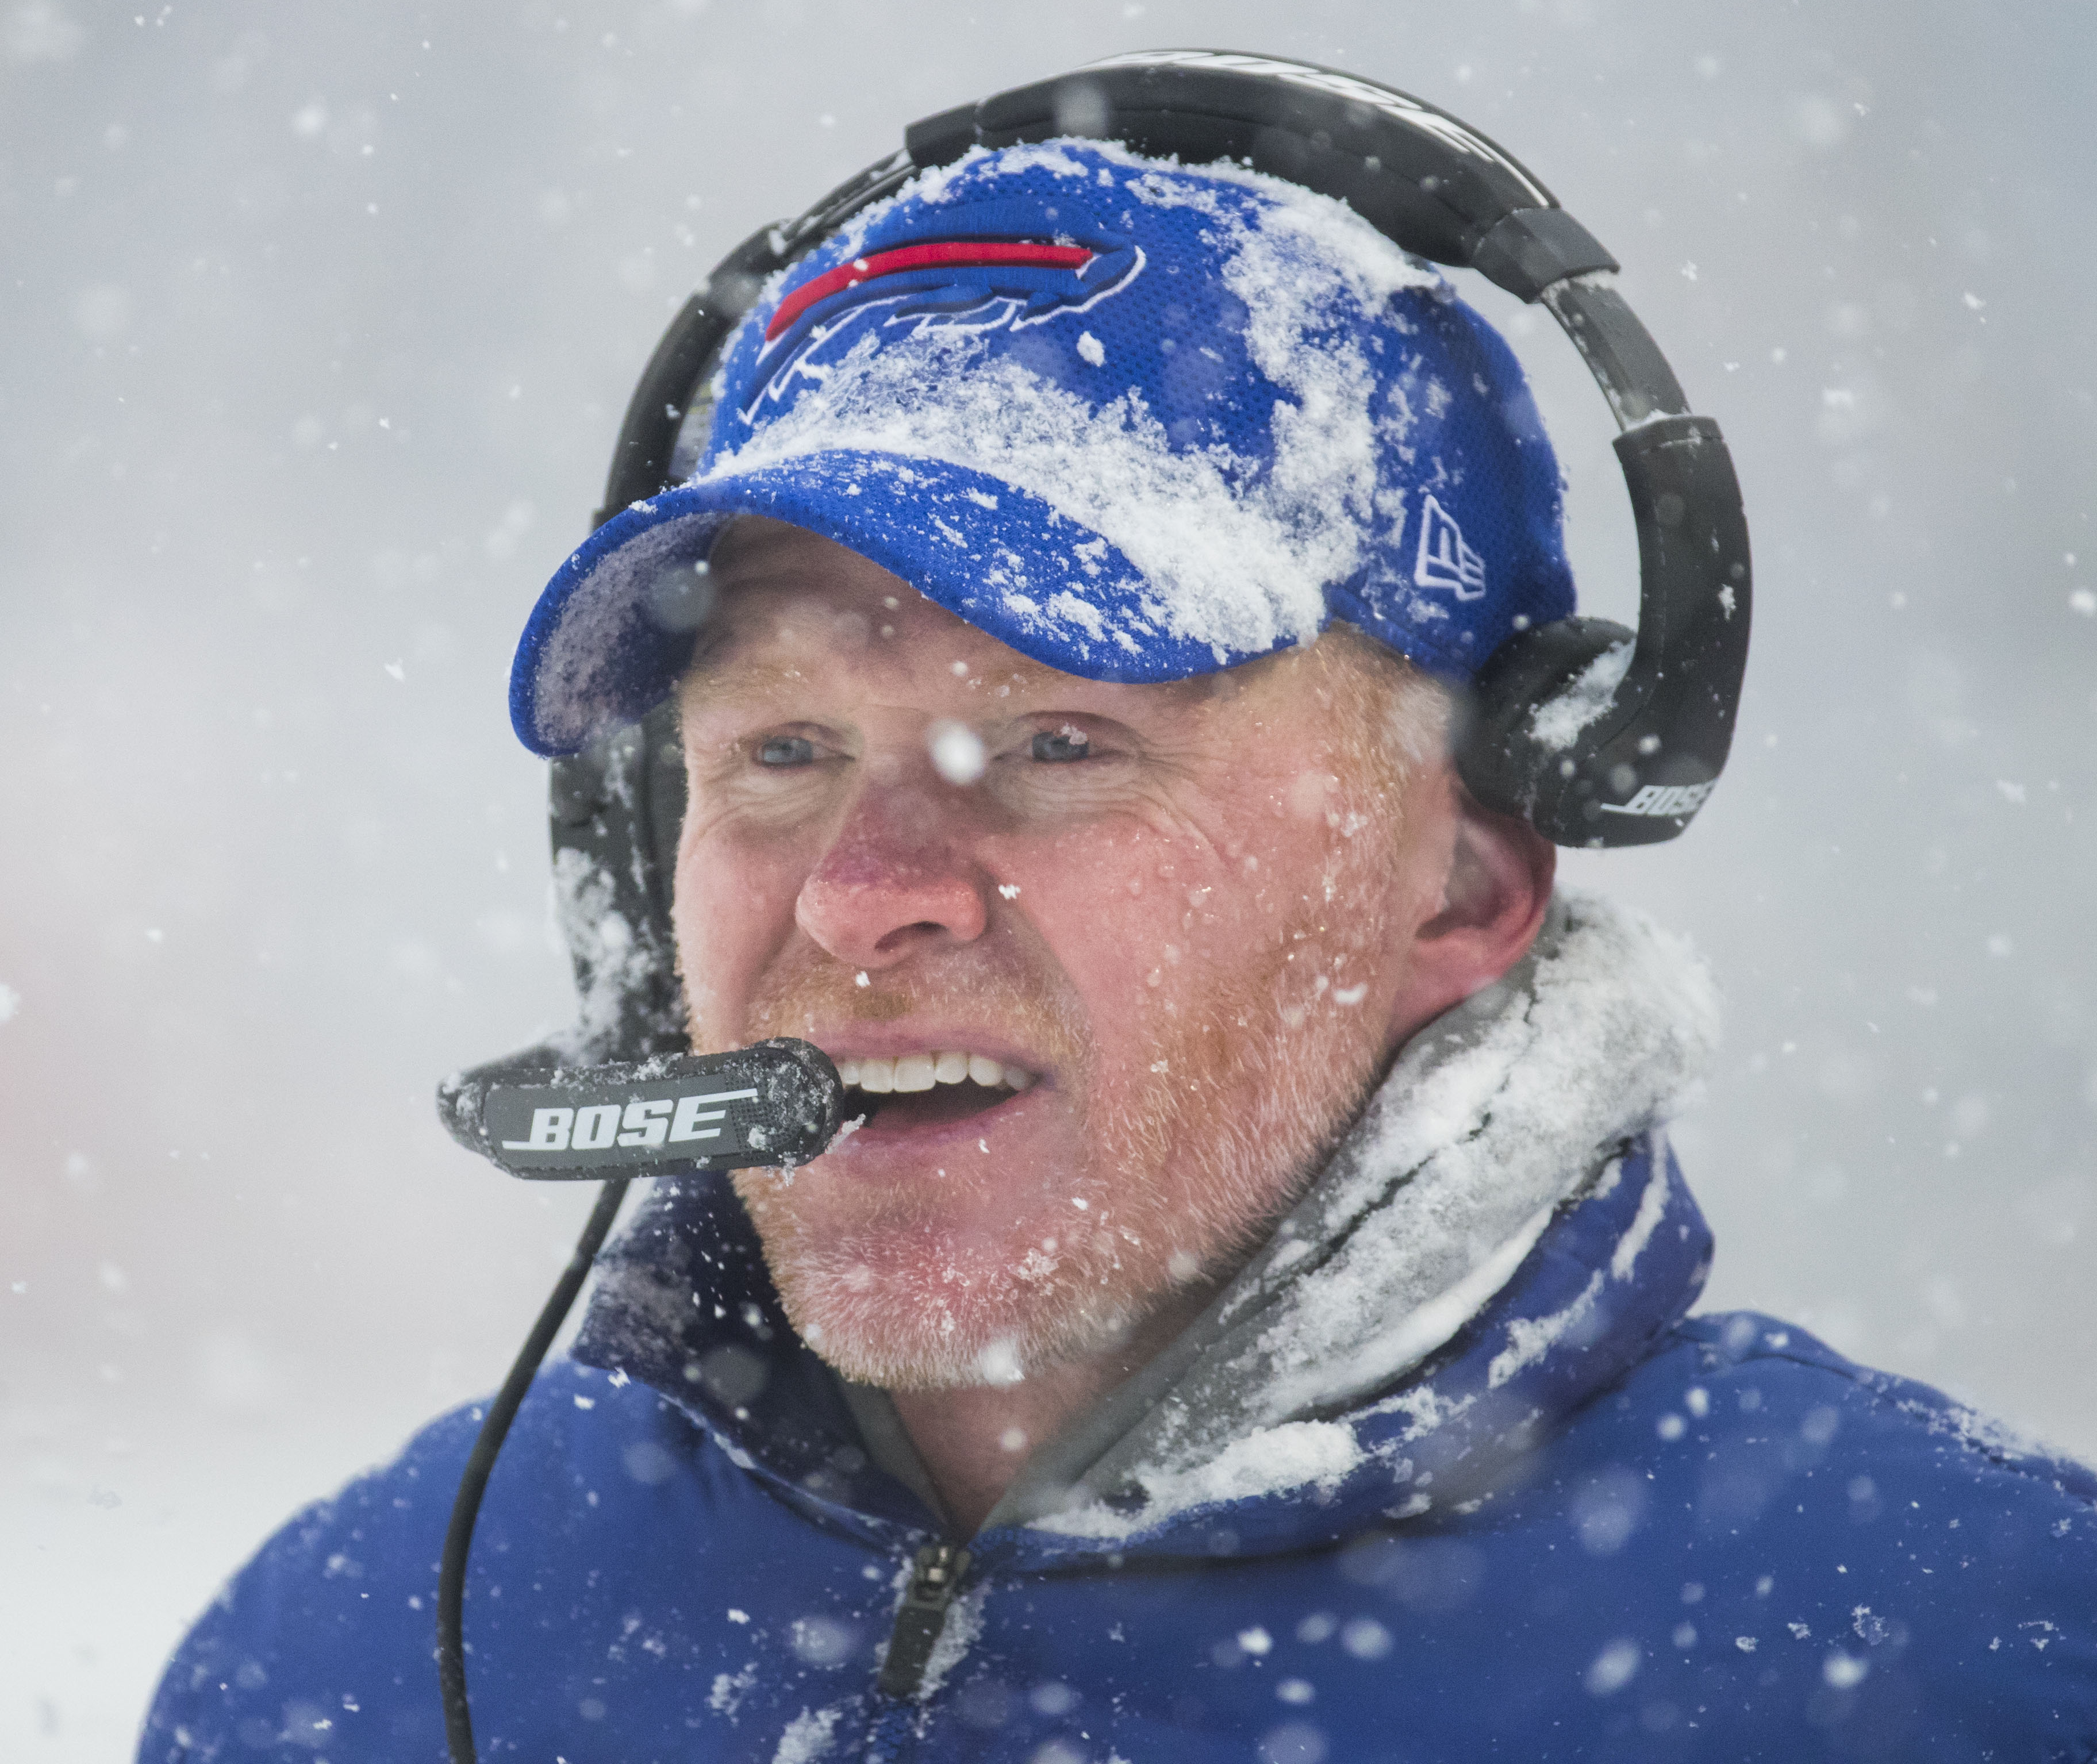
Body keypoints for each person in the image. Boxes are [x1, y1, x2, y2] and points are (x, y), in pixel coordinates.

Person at [142, 105, 2097, 1763]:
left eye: (1059, 743)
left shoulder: (1966, 1661)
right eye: (786, 749)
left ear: (1466, 882)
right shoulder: (354, 1664)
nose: (861, 888)